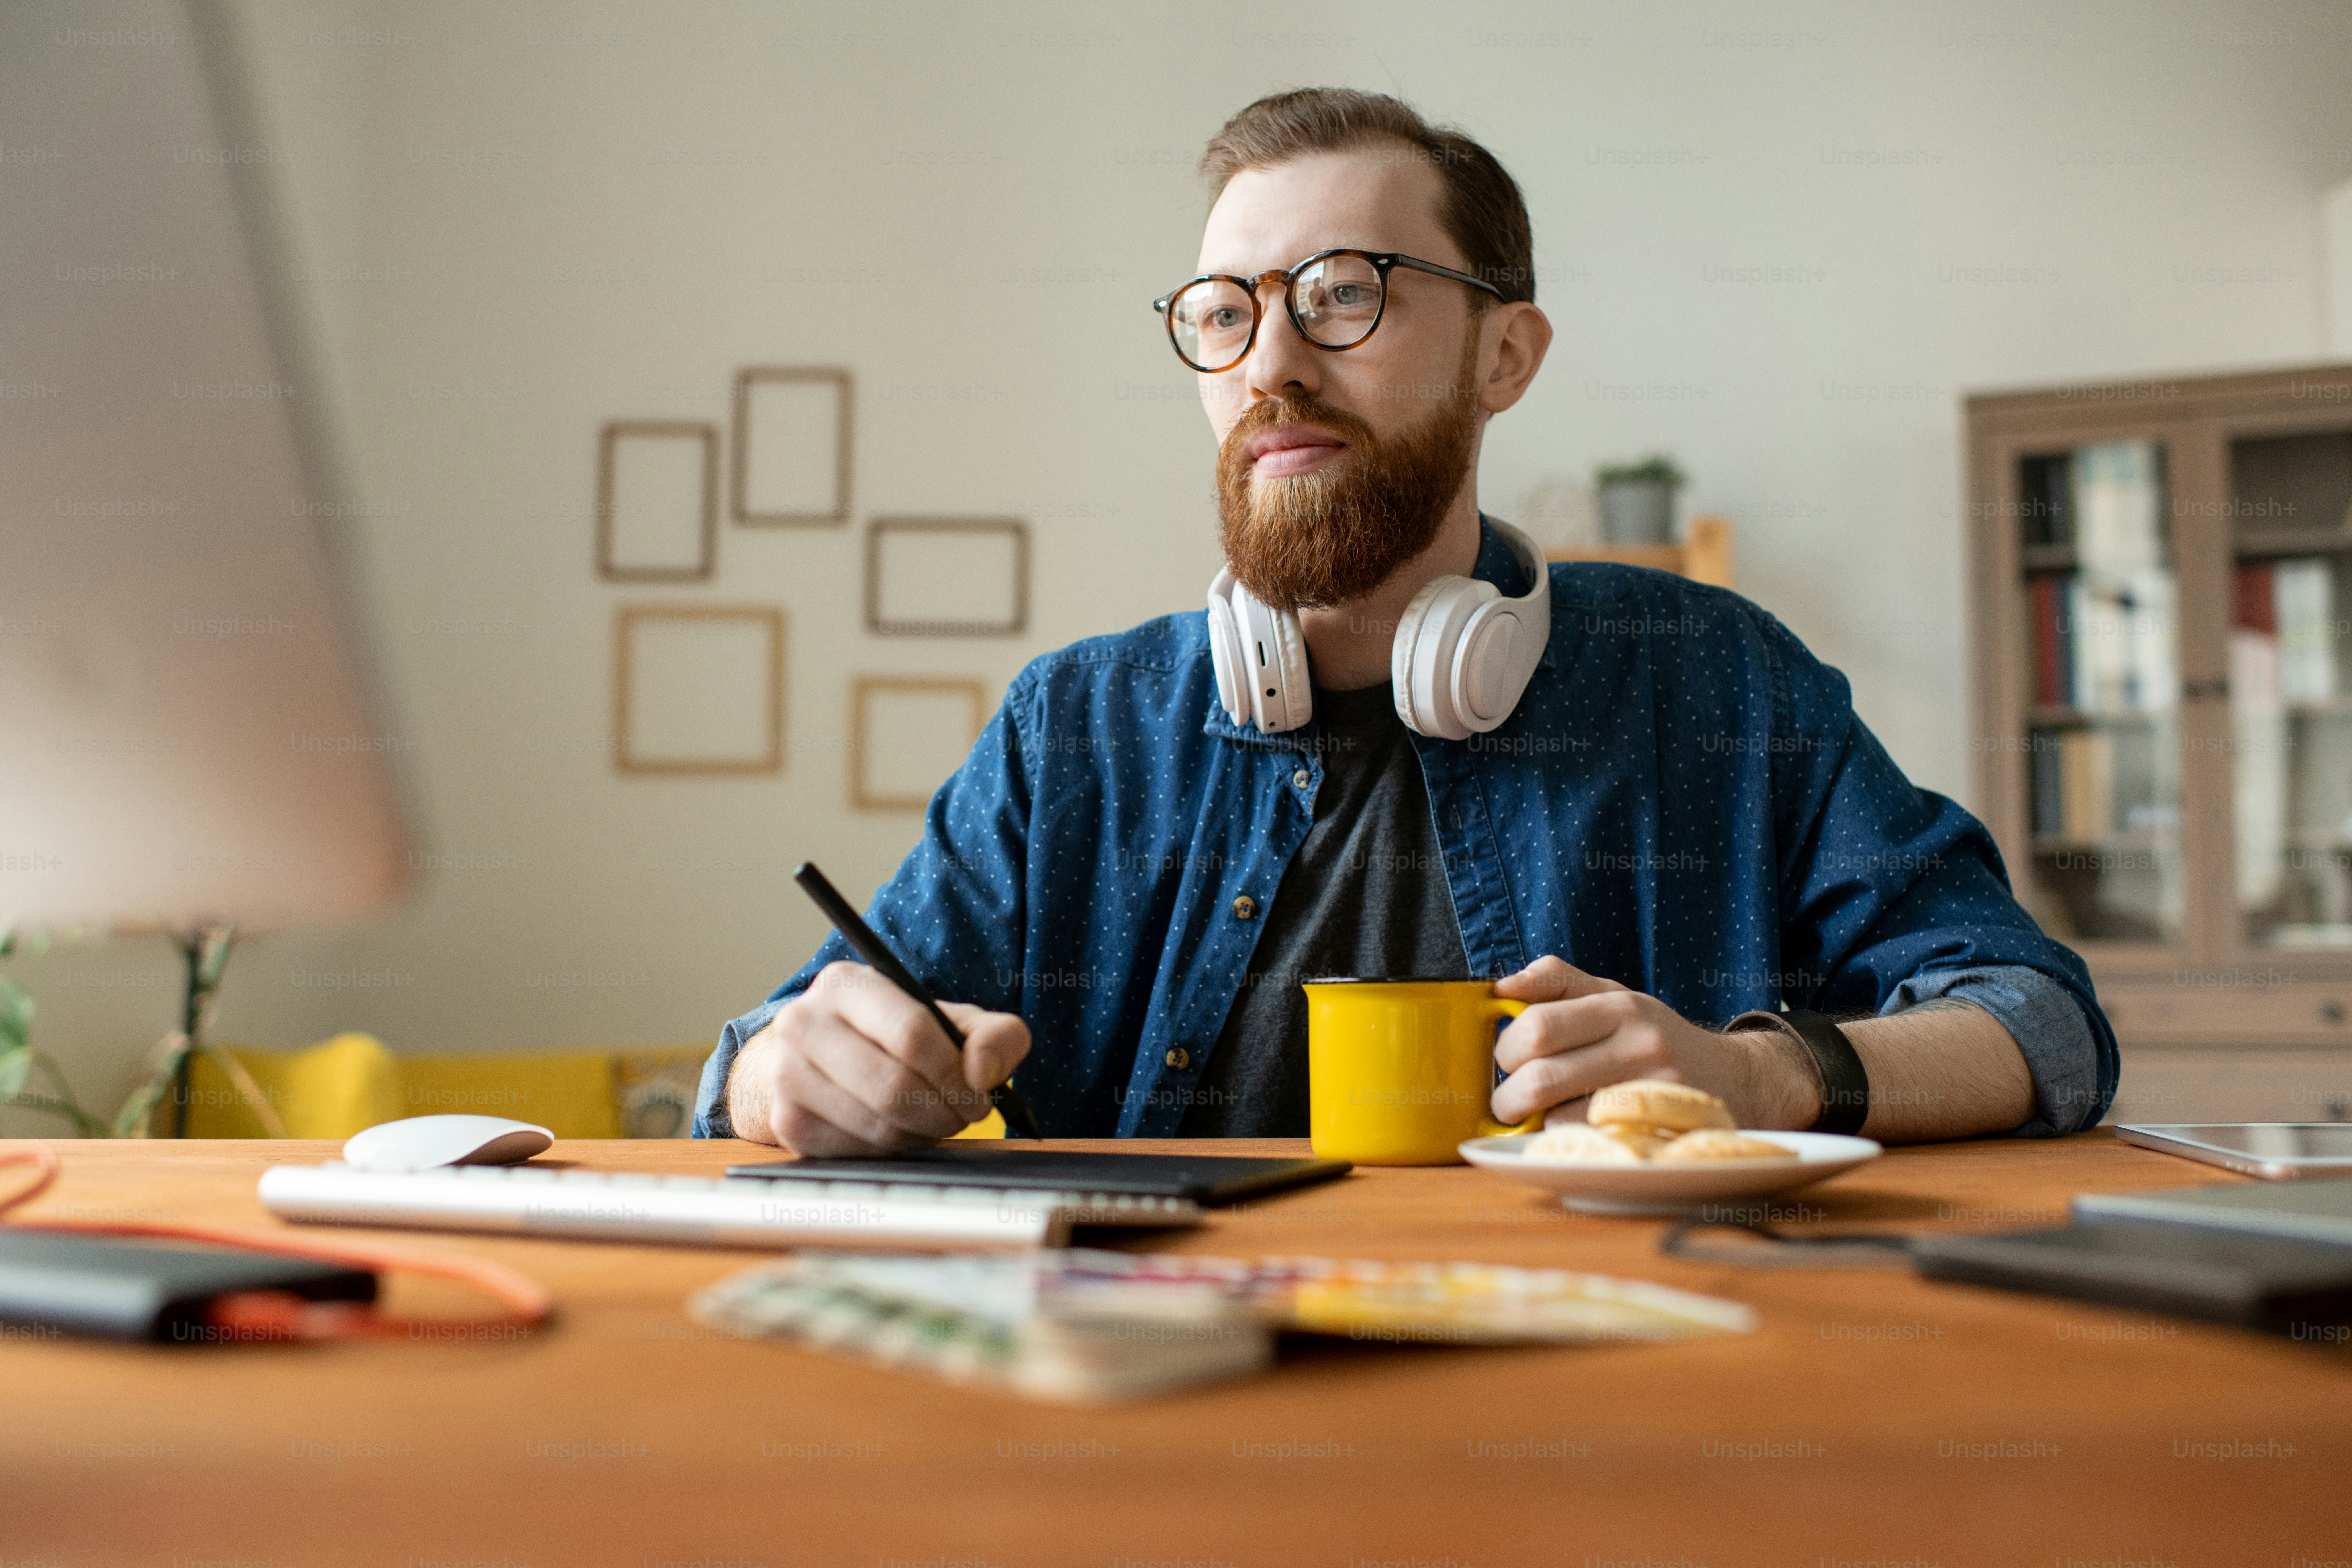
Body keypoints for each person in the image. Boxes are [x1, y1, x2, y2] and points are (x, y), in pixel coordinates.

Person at [696, 88, 2114, 1155]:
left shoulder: (1718, 679)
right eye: (1224, 312)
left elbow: (2040, 1022)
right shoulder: (1076, 727)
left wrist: (1762, 1074)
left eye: (1342, 297)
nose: (1273, 363)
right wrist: (787, 1073)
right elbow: (778, 1048)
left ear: (1506, 354)